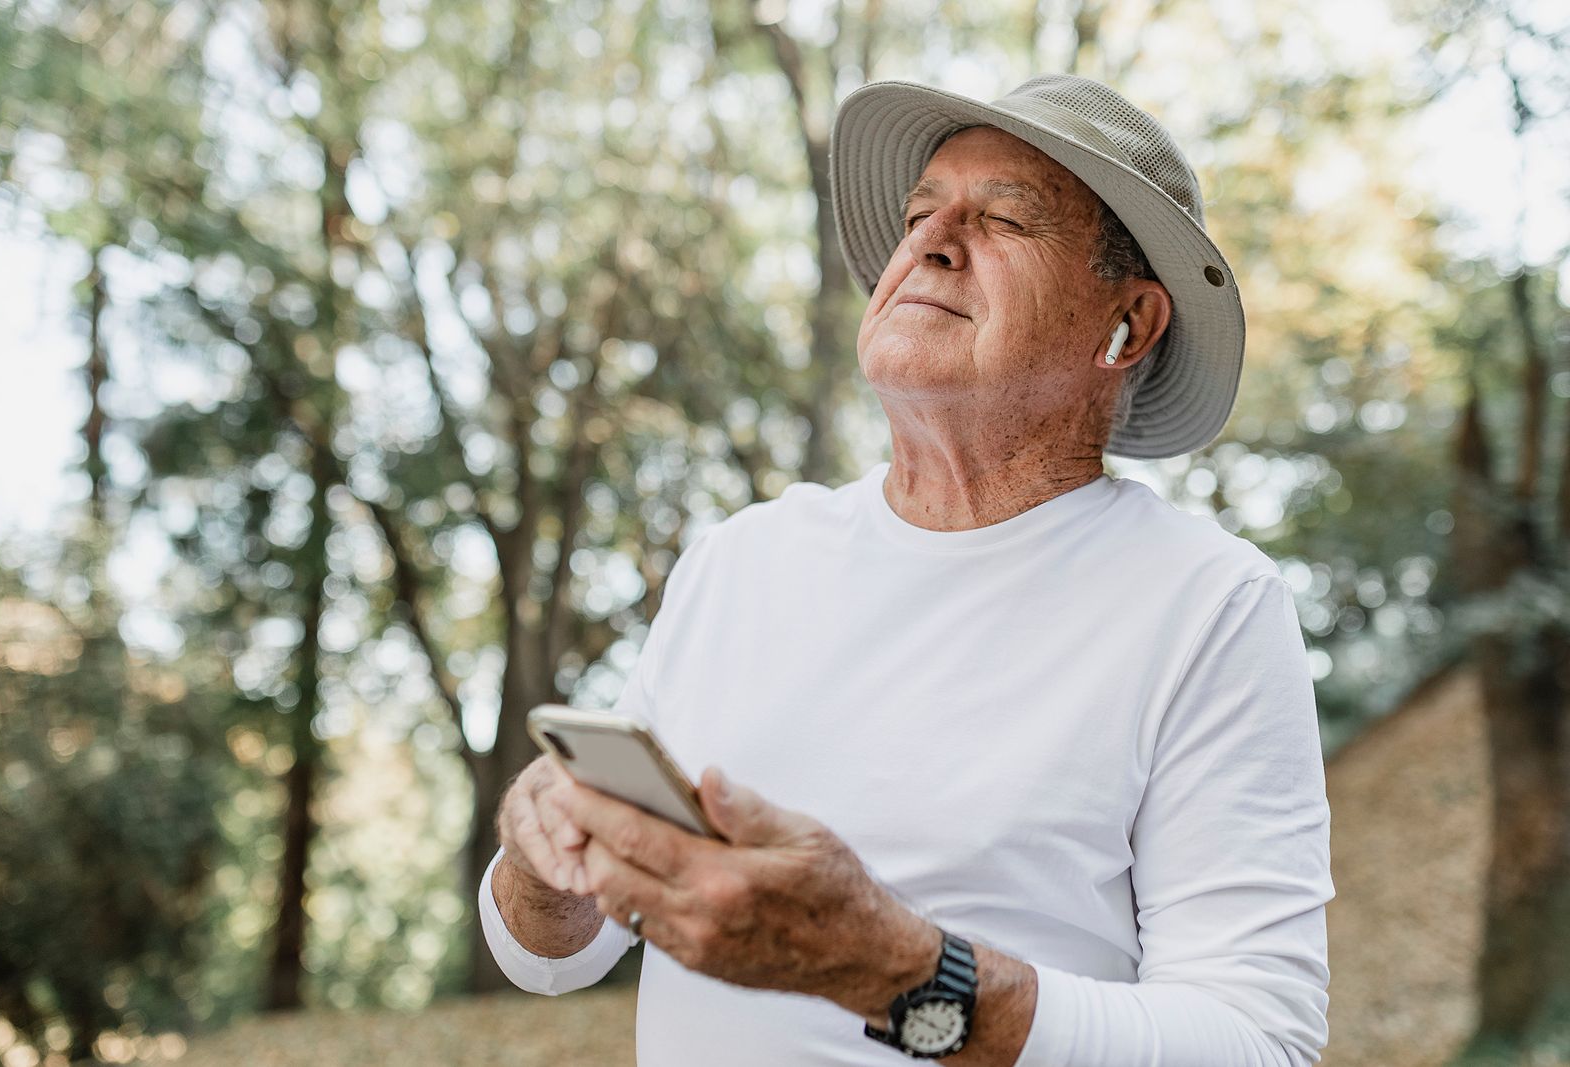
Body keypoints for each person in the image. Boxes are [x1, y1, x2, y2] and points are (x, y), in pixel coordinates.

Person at [477, 74, 1333, 1066]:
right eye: (921, 208)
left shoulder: (1207, 604)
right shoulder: (744, 558)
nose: (932, 238)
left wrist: (893, 969)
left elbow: (1257, 1043)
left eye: (1005, 217)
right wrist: (544, 865)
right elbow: (553, 957)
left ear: (1128, 325)